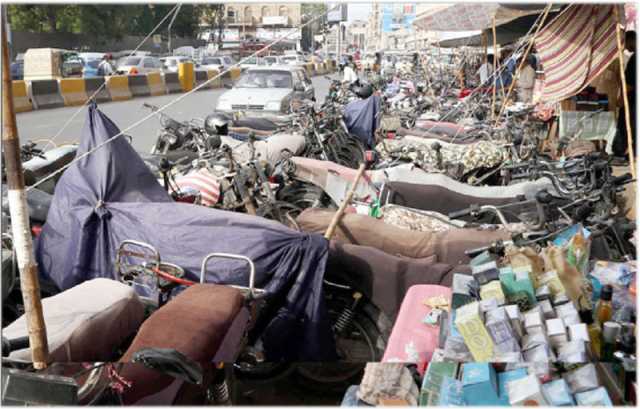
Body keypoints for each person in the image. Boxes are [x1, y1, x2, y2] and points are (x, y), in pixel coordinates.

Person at [613, 31, 636, 161]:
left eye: (625, 42)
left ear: (631, 40)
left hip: (632, 100)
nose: (624, 46)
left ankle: (621, 152)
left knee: (626, 125)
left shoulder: (635, 58)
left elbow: (631, 83)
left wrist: (622, 98)